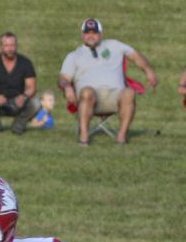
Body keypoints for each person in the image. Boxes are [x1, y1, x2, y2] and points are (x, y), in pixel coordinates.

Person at [59, 18, 158, 146]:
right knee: (87, 92)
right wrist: (67, 87)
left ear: (101, 34)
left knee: (129, 92)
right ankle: (84, 137)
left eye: (94, 33)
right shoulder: (73, 56)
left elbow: (135, 55)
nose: (90, 36)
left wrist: (148, 71)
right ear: (82, 35)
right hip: (90, 99)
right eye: (87, 33)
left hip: (115, 97)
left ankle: (121, 137)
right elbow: (63, 78)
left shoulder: (114, 46)